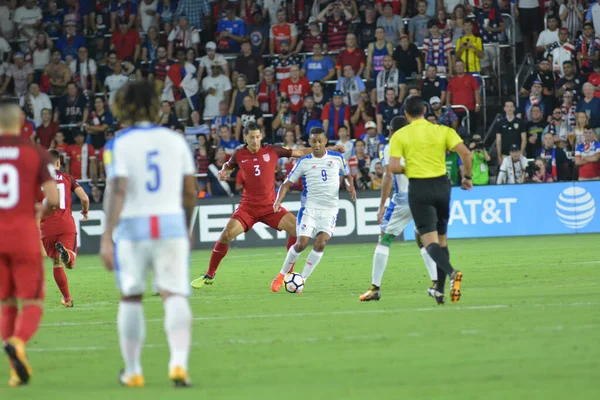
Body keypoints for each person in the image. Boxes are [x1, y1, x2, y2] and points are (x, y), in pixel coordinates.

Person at [99, 81, 197, 387]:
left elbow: (118, 189)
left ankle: (133, 370)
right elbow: (190, 193)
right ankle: (178, 364)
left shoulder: (118, 144)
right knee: (174, 294)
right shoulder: (176, 141)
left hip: (133, 227)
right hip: (170, 225)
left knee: (131, 296)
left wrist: (106, 235)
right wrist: (185, 226)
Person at [189, 122, 312, 289]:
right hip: (248, 208)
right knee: (225, 236)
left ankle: (288, 273)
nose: (255, 140)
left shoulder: (272, 150)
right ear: (245, 138)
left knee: (297, 231)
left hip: (270, 207)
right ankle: (209, 275)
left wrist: (324, 150)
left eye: (257, 137)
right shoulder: (239, 153)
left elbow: (299, 152)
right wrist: (224, 171)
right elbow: (229, 166)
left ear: (261, 136)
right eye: (251, 137)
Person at [387, 96, 472, 304]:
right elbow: (466, 153)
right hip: (443, 186)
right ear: (425, 110)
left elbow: (394, 167)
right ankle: (440, 291)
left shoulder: (400, 135)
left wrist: (410, 168)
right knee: (442, 240)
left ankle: (452, 273)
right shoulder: (443, 130)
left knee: (428, 241)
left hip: (419, 187)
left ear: (406, 114)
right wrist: (468, 177)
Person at [0, 102, 60, 387]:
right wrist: (39, 212)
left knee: (6, 302)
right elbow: (54, 199)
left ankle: (14, 371)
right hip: (23, 235)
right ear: (22, 120)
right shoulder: (35, 152)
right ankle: (18, 342)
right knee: (32, 300)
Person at [359, 116, 438, 302]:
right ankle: (436, 282)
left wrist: (381, 206)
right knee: (422, 240)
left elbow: (387, 176)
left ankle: (375, 288)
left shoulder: (390, 146)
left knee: (384, 239)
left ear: (392, 131)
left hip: (404, 200)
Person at [270, 127, 356, 292]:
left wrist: (350, 186)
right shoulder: (304, 161)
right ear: (309, 142)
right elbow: (287, 183)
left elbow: (347, 174)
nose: (317, 144)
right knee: (301, 243)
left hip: (330, 209)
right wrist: (278, 201)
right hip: (310, 208)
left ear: (325, 142)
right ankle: (281, 275)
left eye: (320, 141)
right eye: (313, 141)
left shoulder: (337, 158)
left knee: (321, 242)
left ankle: (302, 279)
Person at [39, 149, 90, 308]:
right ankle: (66, 253)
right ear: (58, 162)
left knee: (56, 263)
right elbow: (84, 198)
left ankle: (67, 299)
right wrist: (85, 211)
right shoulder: (67, 177)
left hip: (47, 227)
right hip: (65, 223)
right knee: (70, 263)